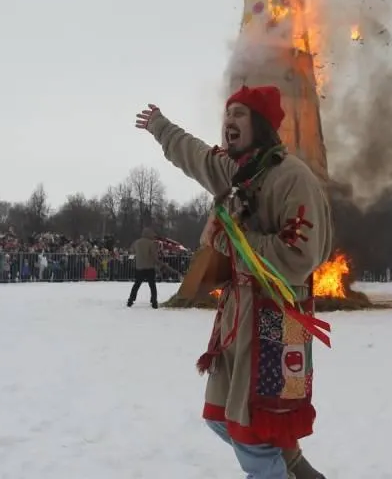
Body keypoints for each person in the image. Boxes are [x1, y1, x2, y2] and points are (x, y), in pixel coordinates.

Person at [136, 84, 332, 479]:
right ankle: (296, 469)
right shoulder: (236, 171)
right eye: (228, 114)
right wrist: (160, 126)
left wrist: (236, 242)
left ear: (260, 124)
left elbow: (300, 255)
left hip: (277, 319)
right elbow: (195, 155)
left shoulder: (292, 177)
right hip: (238, 316)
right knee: (224, 416)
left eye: (240, 114)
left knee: (253, 423)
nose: (230, 121)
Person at [127, 226, 161, 308]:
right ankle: (154, 302)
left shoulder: (136, 242)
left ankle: (130, 300)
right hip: (149, 267)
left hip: (139, 267)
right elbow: (154, 255)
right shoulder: (151, 243)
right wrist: (158, 263)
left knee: (137, 284)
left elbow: (131, 251)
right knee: (152, 285)